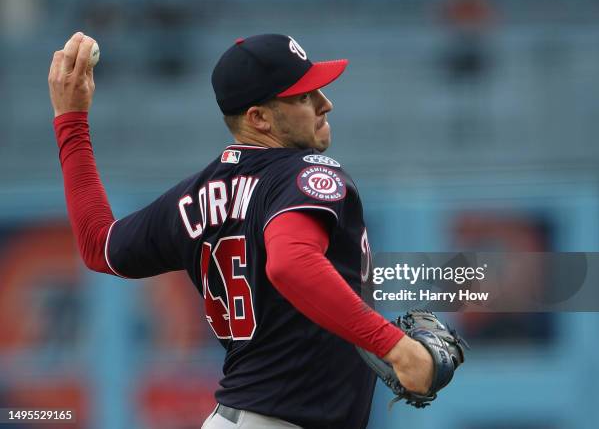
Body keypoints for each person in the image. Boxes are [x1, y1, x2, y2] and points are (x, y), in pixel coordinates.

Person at [48, 32, 433, 429]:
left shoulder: (195, 195)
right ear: (259, 118)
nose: (325, 103)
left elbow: (100, 244)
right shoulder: (306, 174)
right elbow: (291, 263)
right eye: (304, 97)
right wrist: (396, 347)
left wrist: (71, 121)